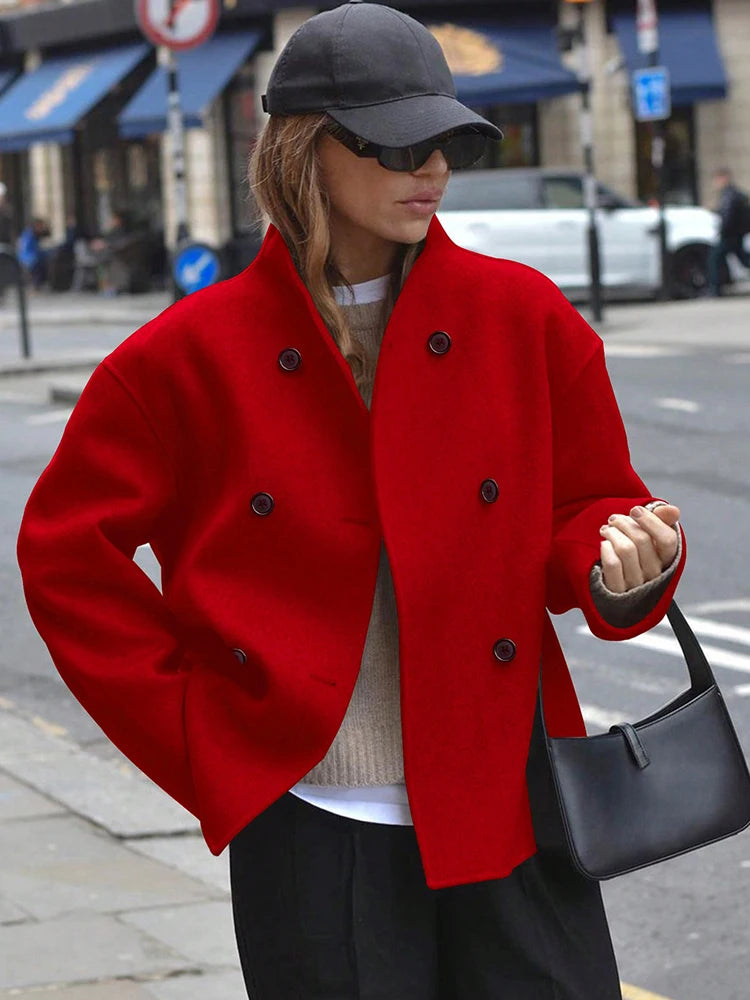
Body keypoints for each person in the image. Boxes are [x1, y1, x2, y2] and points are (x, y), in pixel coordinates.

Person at [16, 3, 686, 997]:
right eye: (401, 143)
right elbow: (65, 555)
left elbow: (588, 505)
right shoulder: (188, 358)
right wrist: (202, 732)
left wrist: (624, 559)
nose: (434, 168)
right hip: (314, 826)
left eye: (449, 141)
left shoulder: (523, 319)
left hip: (509, 793)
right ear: (305, 150)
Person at [707, 166, 750, 296]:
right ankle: (716, 288)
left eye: (717, 179)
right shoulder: (733, 193)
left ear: (724, 178)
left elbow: (728, 215)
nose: (716, 183)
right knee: (744, 259)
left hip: (730, 235)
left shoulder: (729, 194)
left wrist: (723, 230)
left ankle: (715, 290)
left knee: (714, 259)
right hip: (735, 234)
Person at [16, 216, 51, 289]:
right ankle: (37, 285)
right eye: (40, 226)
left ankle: (39, 284)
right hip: (29, 259)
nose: (41, 228)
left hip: (29, 257)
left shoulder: (31, 233)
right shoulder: (30, 234)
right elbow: (27, 250)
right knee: (42, 263)